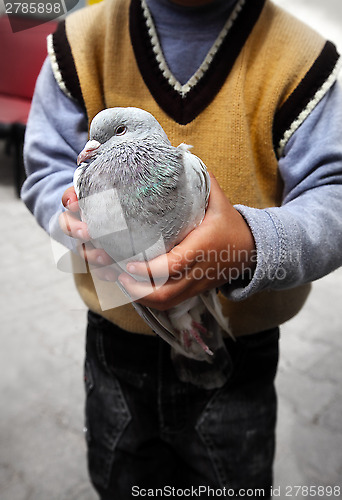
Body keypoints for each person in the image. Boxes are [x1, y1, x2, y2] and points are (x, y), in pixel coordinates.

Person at [22, 0, 342, 497]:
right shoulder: (79, 40)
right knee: (122, 482)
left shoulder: (302, 57)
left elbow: (336, 192)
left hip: (241, 344)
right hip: (116, 341)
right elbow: (46, 165)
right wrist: (75, 227)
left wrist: (250, 245)